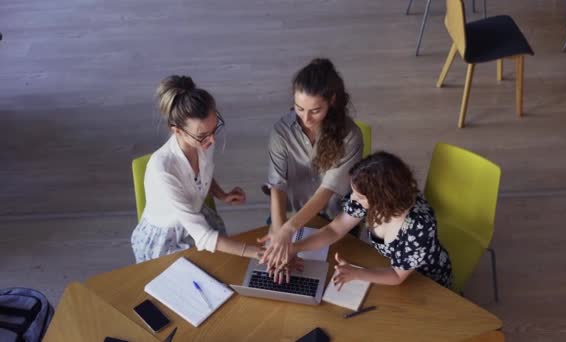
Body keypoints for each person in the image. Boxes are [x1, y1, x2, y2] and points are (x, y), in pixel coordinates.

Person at [131, 75, 261, 263]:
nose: (212, 140)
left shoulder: (204, 141)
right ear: (177, 131)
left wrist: (221, 194)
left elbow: (201, 173)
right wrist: (258, 253)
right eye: (203, 135)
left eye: (214, 129)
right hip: (166, 239)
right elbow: (203, 236)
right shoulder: (163, 170)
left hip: (195, 217)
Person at [277, 151, 453, 289]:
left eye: (360, 196)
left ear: (382, 198)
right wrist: (294, 248)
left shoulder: (419, 226)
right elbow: (334, 230)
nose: (353, 198)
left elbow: (397, 276)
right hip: (387, 267)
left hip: (424, 280)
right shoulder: (368, 200)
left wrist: (358, 273)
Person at [259, 58, 363, 271]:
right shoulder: (281, 132)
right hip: (289, 213)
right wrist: (280, 237)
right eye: (299, 108)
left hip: (333, 217)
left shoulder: (350, 136)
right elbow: (277, 185)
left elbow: (327, 191)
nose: (306, 118)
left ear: (331, 101)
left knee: (328, 273)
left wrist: (288, 232)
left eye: (315, 110)